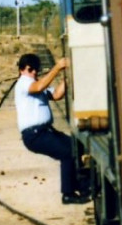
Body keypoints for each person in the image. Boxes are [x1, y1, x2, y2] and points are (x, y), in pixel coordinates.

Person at [14, 53, 89, 204]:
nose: (34, 72)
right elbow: (41, 85)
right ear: (22, 70)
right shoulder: (23, 83)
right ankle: (68, 194)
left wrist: (67, 78)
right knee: (67, 152)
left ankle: (84, 187)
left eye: (36, 69)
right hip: (34, 135)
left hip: (45, 131)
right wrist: (58, 67)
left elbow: (56, 95)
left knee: (76, 146)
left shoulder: (34, 84)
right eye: (30, 69)